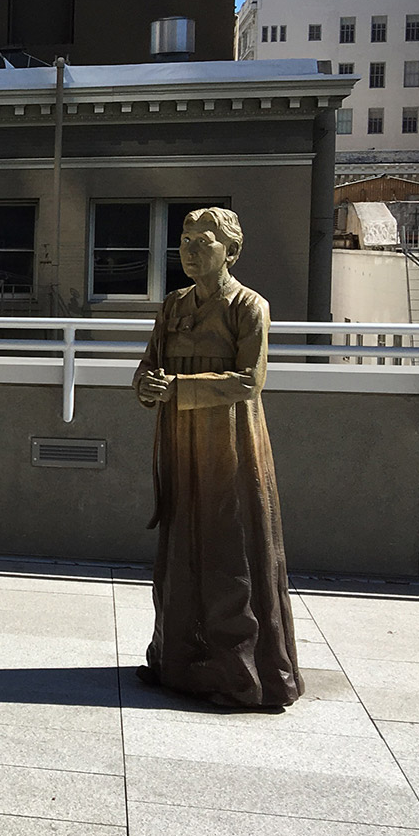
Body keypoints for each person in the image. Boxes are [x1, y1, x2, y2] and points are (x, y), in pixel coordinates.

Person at [133, 207, 305, 711]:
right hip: (180, 442)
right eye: (184, 240)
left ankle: (240, 671)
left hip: (230, 444)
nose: (188, 249)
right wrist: (146, 385)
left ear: (230, 250)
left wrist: (179, 388)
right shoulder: (172, 306)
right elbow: (149, 365)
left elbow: (249, 380)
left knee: (230, 547)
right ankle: (177, 659)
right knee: (181, 545)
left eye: (201, 240)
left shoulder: (249, 306)